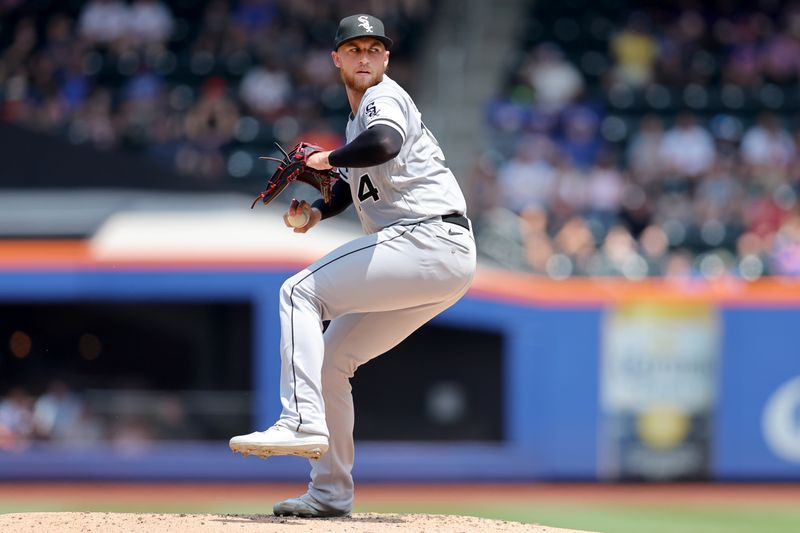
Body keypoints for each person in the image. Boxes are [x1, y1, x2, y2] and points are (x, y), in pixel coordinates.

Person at [229, 14, 476, 518]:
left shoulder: (383, 100)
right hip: (439, 256)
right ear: (336, 58)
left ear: (385, 59)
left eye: (373, 49)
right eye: (354, 49)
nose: (365, 57)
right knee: (330, 360)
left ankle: (300, 420)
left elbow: (384, 144)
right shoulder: (357, 117)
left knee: (299, 292)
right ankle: (329, 492)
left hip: (425, 237)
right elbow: (354, 181)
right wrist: (319, 211)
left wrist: (324, 159)